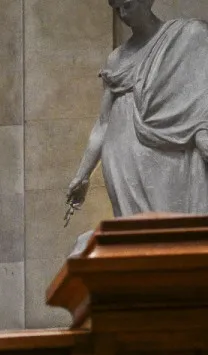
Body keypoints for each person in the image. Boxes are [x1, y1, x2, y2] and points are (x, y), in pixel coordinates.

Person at [66, 0, 208, 221]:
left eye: (128, 5)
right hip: (122, 154)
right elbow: (103, 123)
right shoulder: (116, 59)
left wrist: (201, 133)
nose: (122, 13)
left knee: (176, 228)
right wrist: (82, 175)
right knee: (137, 235)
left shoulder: (185, 35)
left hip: (170, 147)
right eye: (116, 8)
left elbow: (200, 97)